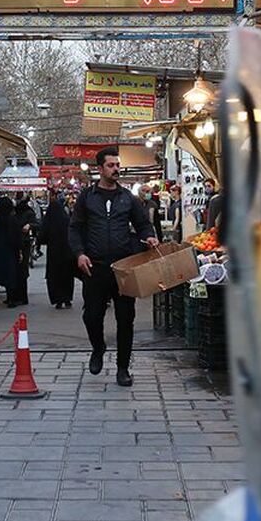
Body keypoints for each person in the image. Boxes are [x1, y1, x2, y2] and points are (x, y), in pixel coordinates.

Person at [68, 146, 159, 387]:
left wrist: (149, 236)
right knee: (92, 316)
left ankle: (122, 367)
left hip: (123, 268)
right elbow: (75, 228)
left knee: (125, 318)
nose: (116, 169)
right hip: (95, 267)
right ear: (100, 169)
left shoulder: (127, 198)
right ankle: (98, 348)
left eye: (118, 165)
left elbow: (142, 225)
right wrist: (79, 253)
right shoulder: (87, 197)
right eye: (111, 165)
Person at [40, 190, 76, 308]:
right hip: (67, 252)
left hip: (54, 253)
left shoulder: (49, 221)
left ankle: (58, 300)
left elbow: (42, 235)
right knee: (67, 276)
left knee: (55, 276)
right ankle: (67, 299)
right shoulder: (66, 219)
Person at [12, 195, 35, 307]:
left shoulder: (28, 213)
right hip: (16, 243)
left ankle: (22, 297)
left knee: (21, 271)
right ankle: (16, 296)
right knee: (17, 271)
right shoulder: (14, 212)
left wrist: (29, 225)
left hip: (24, 243)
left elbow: (37, 224)